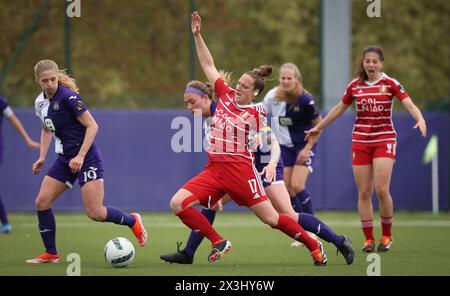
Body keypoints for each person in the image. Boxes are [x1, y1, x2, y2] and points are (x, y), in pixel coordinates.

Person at [169, 11, 329, 267]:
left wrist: (267, 156)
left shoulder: (257, 111)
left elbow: (269, 140)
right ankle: (218, 241)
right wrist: (198, 35)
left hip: (240, 171)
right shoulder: (225, 95)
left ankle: (314, 245)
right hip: (214, 170)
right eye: (239, 83)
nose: (239, 87)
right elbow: (208, 65)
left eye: (244, 85)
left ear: (254, 91)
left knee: (273, 219)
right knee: (177, 203)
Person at [160, 80, 354, 265]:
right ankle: (190, 252)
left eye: (191, 102)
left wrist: (270, 164)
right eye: (237, 87)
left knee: (286, 215)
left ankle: (337, 241)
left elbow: (273, 144)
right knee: (209, 206)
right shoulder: (210, 116)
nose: (237, 90)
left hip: (265, 165)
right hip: (237, 171)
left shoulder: (241, 112)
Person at [306, 46, 427, 253]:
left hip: (384, 140)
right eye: (367, 61)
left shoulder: (390, 83)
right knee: (363, 192)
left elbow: (409, 104)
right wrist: (319, 127)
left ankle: (387, 236)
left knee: (381, 189)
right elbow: (338, 109)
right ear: (363, 63)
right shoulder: (355, 86)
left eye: (374, 61)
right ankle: (369, 240)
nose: (371, 64)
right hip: (361, 142)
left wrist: (420, 118)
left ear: (381, 63)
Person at [26, 60, 147, 263]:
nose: (49, 84)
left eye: (53, 79)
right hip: (66, 159)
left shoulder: (68, 97)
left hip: (87, 157)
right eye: (45, 81)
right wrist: (41, 157)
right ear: (38, 81)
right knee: (42, 201)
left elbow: (92, 126)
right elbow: (46, 129)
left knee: (96, 213)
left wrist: (81, 155)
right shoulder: (40, 103)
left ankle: (133, 221)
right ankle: (51, 253)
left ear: (58, 77)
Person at [263, 63, 322, 216]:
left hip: (304, 145)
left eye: (289, 78)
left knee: (297, 185)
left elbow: (319, 125)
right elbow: (261, 117)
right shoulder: (272, 96)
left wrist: (307, 149)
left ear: (297, 79)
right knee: (287, 188)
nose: (286, 81)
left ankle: (313, 227)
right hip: (284, 147)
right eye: (283, 78)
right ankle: (302, 228)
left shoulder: (305, 99)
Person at [0, 96, 40, 233]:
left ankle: (5, 223)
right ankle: (5, 223)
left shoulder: (1, 102)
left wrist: (27, 139)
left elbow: (13, 119)